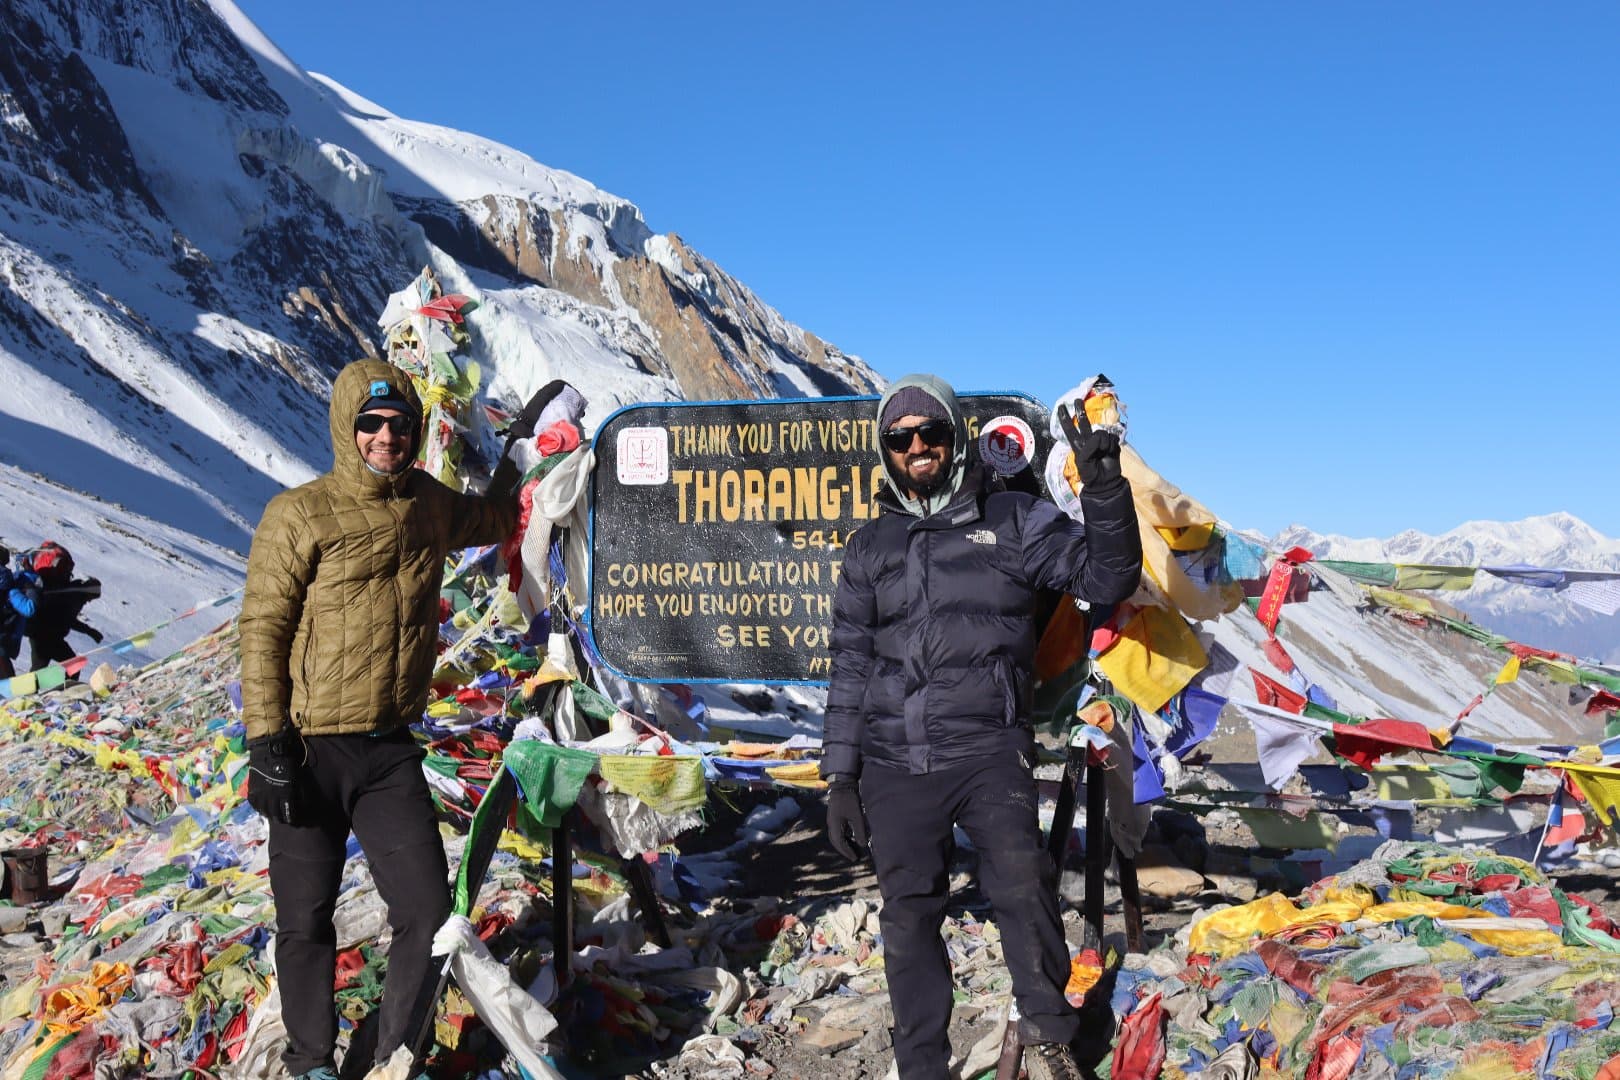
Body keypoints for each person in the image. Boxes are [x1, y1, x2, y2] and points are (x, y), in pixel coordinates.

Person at [820, 375, 1142, 1080]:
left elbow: (1108, 577)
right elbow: (849, 665)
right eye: (900, 438)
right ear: (886, 452)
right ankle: (923, 1069)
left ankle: (1054, 1039)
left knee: (1024, 888)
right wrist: (839, 776)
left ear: (955, 439)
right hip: (892, 762)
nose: (917, 447)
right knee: (908, 920)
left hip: (988, 749)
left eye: (930, 432)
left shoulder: (1015, 520)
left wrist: (1104, 488)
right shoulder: (870, 546)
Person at [239, 358, 544, 1080]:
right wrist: (266, 742)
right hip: (309, 747)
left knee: (428, 913)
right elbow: (262, 630)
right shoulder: (299, 513)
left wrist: (518, 452)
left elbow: (496, 516)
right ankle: (312, 1060)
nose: (385, 437)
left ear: (415, 431)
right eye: (370, 424)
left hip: (387, 751)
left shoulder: (429, 504)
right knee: (305, 918)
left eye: (399, 425)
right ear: (348, 430)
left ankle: (391, 1057)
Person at [22, 542, 102, 670]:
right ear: (90, 592)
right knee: (73, 667)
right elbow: (67, 619)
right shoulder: (75, 597)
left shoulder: (69, 591)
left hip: (41, 634)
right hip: (47, 636)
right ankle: (57, 689)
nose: (90, 601)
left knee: (40, 670)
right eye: (93, 597)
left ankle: (41, 688)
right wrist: (89, 631)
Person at [0, 545, 41, 679]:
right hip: (2, 643)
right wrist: (31, 589)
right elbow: (29, 609)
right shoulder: (11, 591)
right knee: (9, 686)